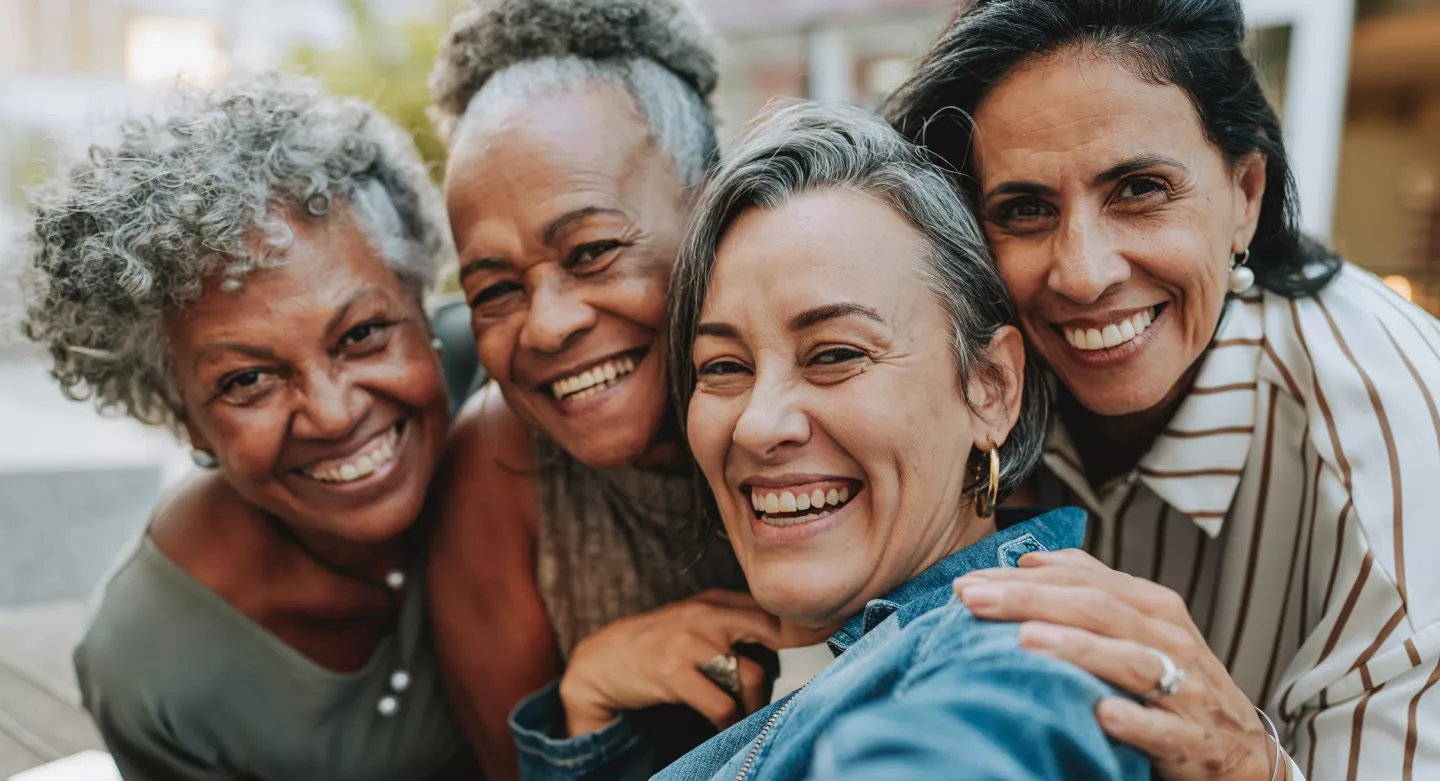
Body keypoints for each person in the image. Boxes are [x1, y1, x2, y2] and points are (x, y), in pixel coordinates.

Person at [508, 98, 1150, 781]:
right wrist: (588, 721)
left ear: (989, 386)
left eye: (835, 354)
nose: (759, 423)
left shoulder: (1016, 658)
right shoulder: (765, 678)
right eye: (723, 367)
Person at [885, 1, 1440, 779]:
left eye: (1140, 188)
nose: (1082, 272)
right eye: (1024, 208)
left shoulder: (1392, 438)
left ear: (1246, 191)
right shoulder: (976, 365)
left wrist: (1248, 762)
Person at [19, 76, 471, 780]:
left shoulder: (523, 382)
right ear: (182, 419)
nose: (334, 411)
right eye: (247, 380)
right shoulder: (153, 668)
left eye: (363, 333)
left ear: (421, 302)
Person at [424, 1, 778, 777]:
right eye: (493, 291)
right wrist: (585, 694)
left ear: (714, 206)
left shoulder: (844, 391)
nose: (546, 326)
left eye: (591, 251)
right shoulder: (497, 469)